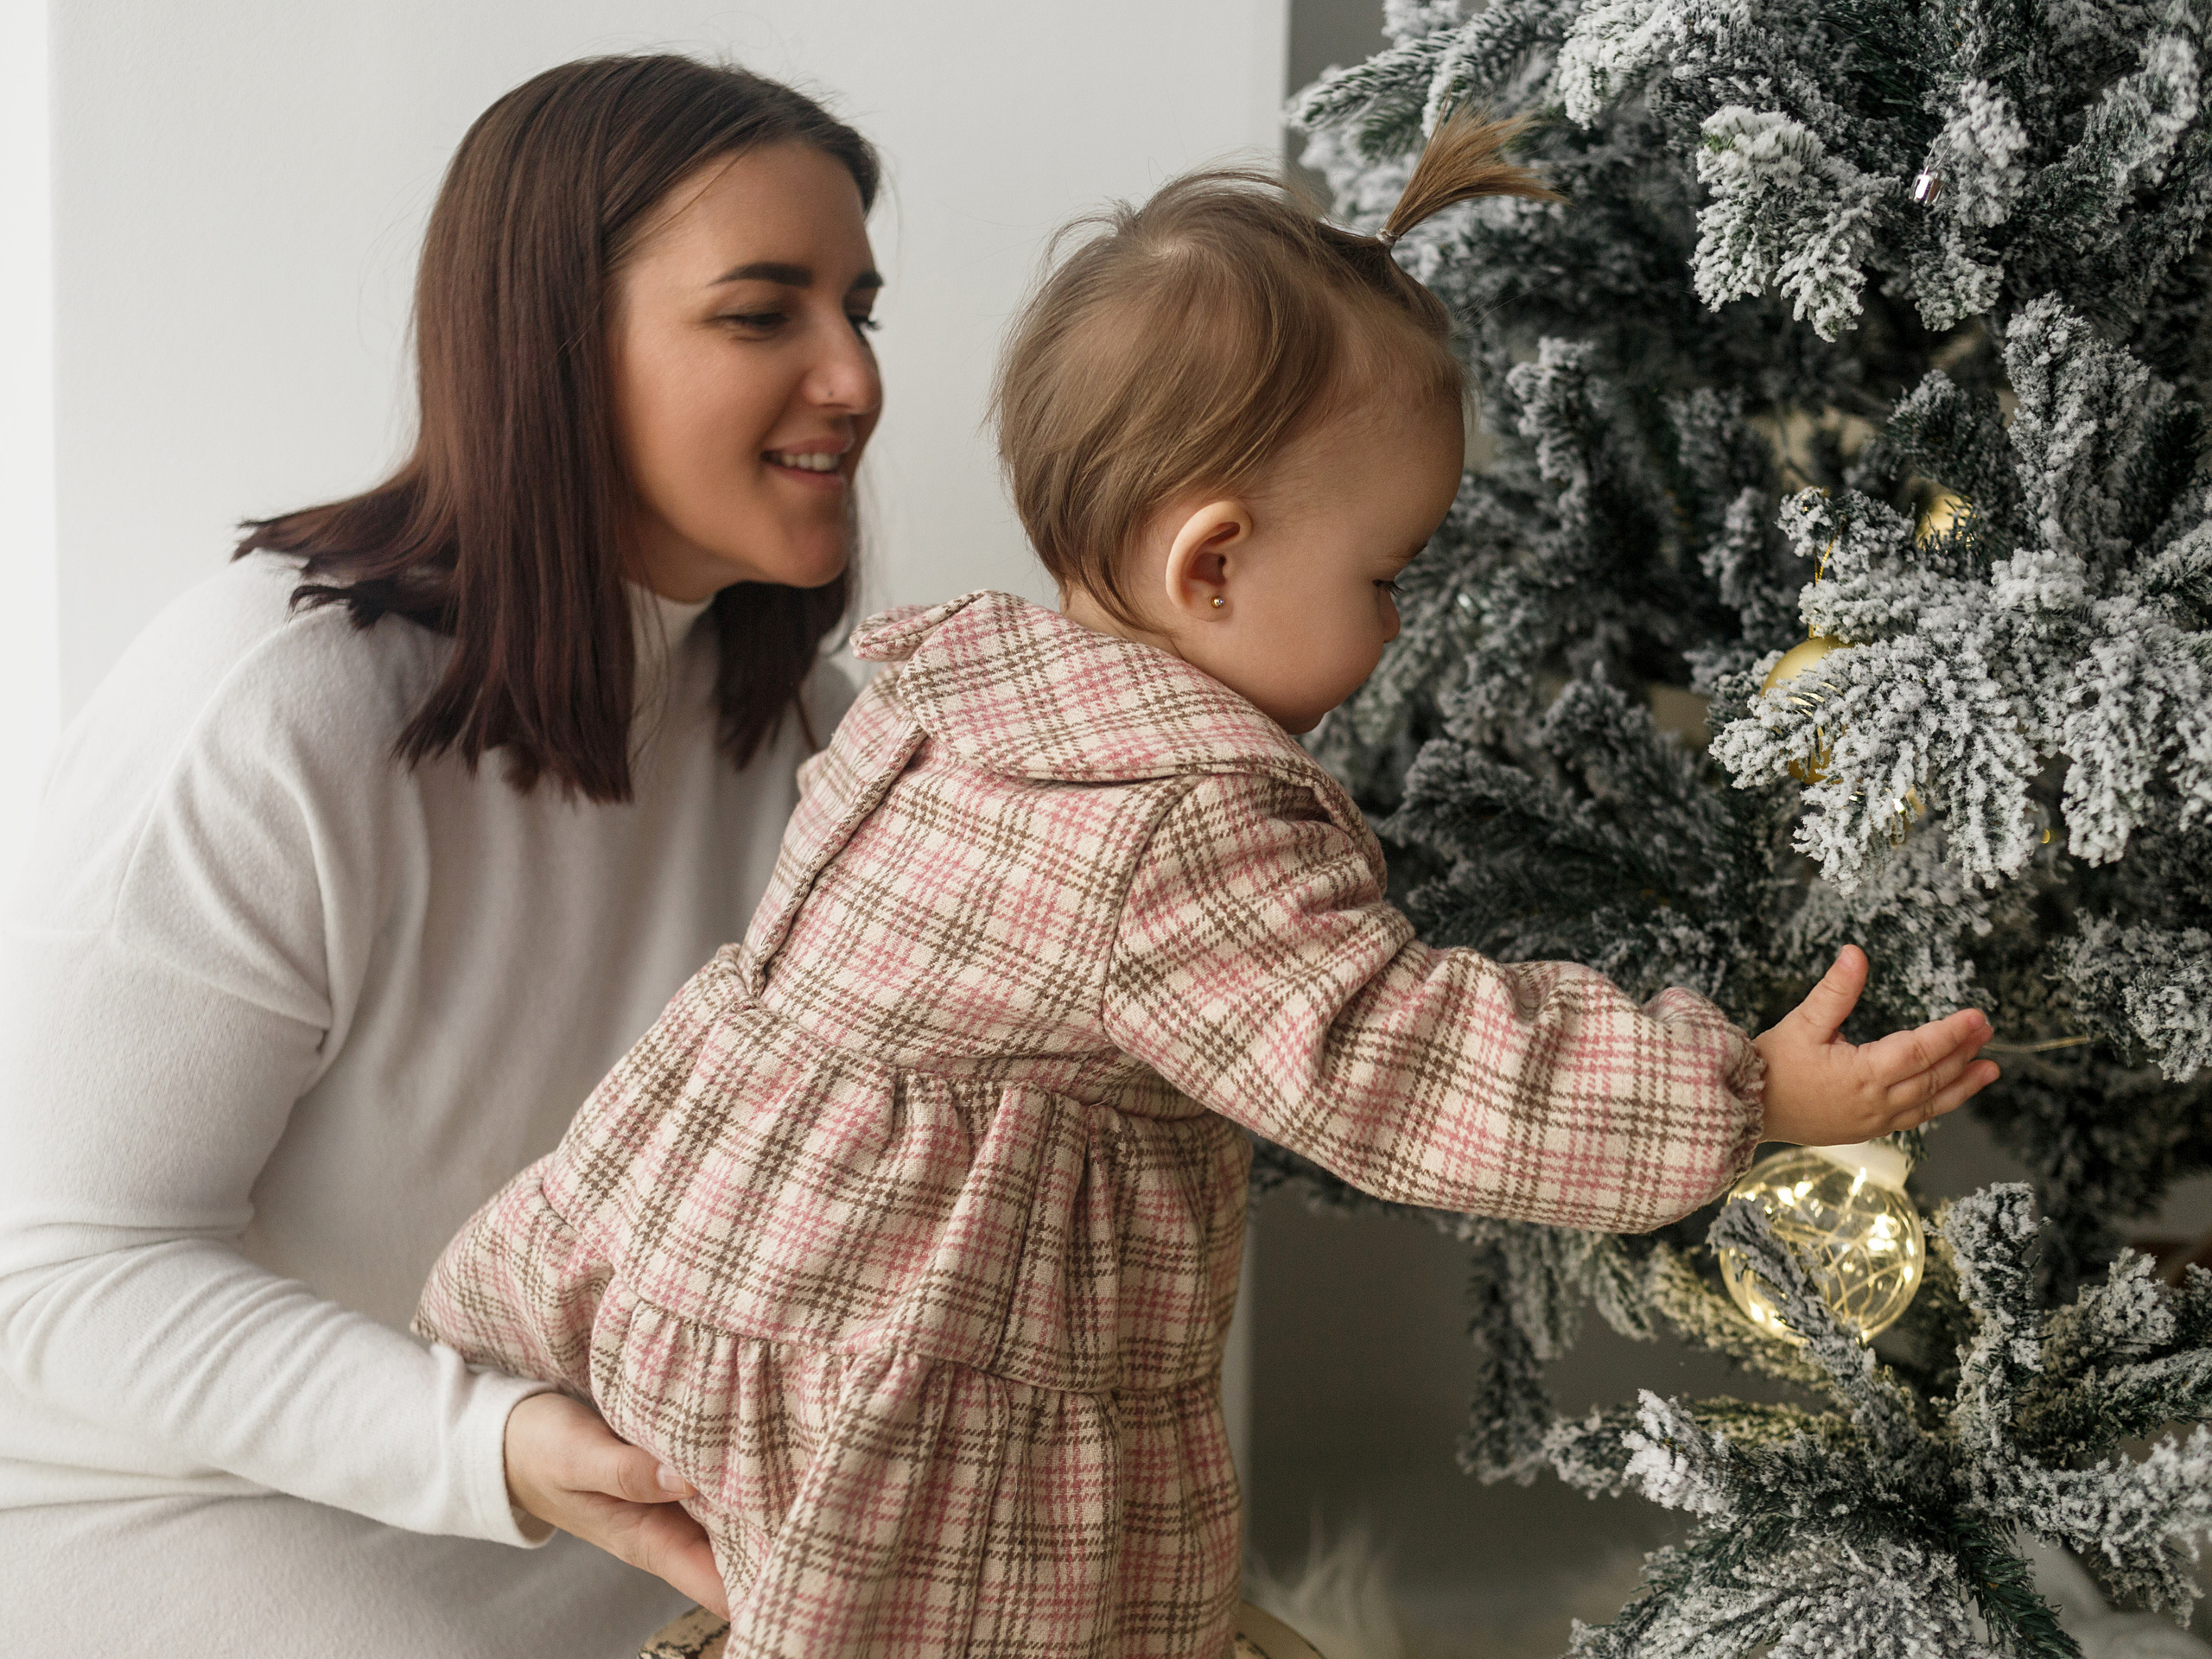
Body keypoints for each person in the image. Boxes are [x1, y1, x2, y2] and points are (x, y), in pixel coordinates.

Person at [414, 112, 2003, 1658]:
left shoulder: (945, 692)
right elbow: (1397, 1058)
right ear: (1214, 565)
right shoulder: (1179, 818)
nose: (1391, 630)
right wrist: (1740, 1096)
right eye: (1382, 577)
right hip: (926, 1363)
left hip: (709, 1281)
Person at [0, 55, 885, 1657]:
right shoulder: (274, 707)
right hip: (179, 1509)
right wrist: (491, 1446)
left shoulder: (817, 741)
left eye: (858, 309)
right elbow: (60, 1273)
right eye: (764, 315)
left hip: (612, 1529)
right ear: (556, 352)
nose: (855, 379)